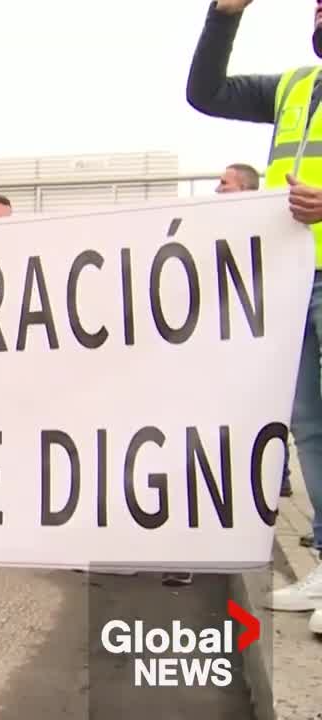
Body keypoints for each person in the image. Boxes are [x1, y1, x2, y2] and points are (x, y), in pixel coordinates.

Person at [187, 0, 322, 632]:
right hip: (295, 279)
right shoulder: (296, 85)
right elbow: (206, 92)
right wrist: (223, 16)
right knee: (308, 424)